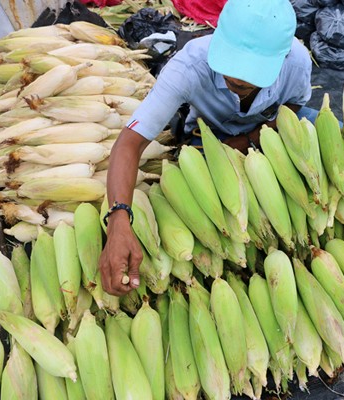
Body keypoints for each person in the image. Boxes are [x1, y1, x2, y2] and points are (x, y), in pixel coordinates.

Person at [99, 0, 313, 296]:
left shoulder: (297, 61)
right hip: (209, 137)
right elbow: (129, 143)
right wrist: (119, 219)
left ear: (281, 57)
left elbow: (293, 106)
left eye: (250, 76)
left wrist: (249, 140)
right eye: (230, 66)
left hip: (268, 128)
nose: (237, 78)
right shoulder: (189, 67)